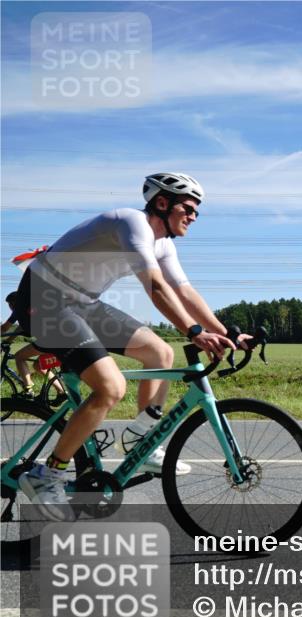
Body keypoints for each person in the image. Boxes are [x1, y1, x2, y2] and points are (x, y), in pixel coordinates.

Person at [12, 172, 247, 521]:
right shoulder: (132, 223)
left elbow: (184, 291)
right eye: (188, 207)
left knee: (161, 353)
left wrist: (227, 332)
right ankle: (47, 475)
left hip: (82, 302)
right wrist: (195, 331)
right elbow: (155, 287)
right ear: (162, 203)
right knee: (111, 387)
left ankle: (141, 440)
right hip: (45, 298)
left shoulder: (164, 244)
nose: (194, 216)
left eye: (197, 211)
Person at [2, 292, 65, 399]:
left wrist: (6, 341)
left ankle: (28, 389)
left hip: (49, 340)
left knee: (19, 357)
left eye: (10, 305)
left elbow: (4, 329)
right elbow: (21, 328)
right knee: (38, 365)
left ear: (14, 303)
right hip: (60, 340)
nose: (10, 308)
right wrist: (7, 341)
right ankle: (61, 392)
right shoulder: (31, 309)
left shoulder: (19, 310)